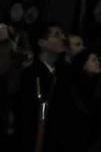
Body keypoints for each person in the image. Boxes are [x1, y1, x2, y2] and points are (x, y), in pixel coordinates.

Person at [15, 22, 70, 152]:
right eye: (56, 35)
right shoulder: (30, 75)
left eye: (63, 34)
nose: (63, 38)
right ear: (42, 43)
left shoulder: (64, 73)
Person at [62, 51, 101, 151]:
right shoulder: (78, 85)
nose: (98, 62)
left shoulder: (96, 83)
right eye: (93, 60)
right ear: (83, 65)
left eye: (97, 59)